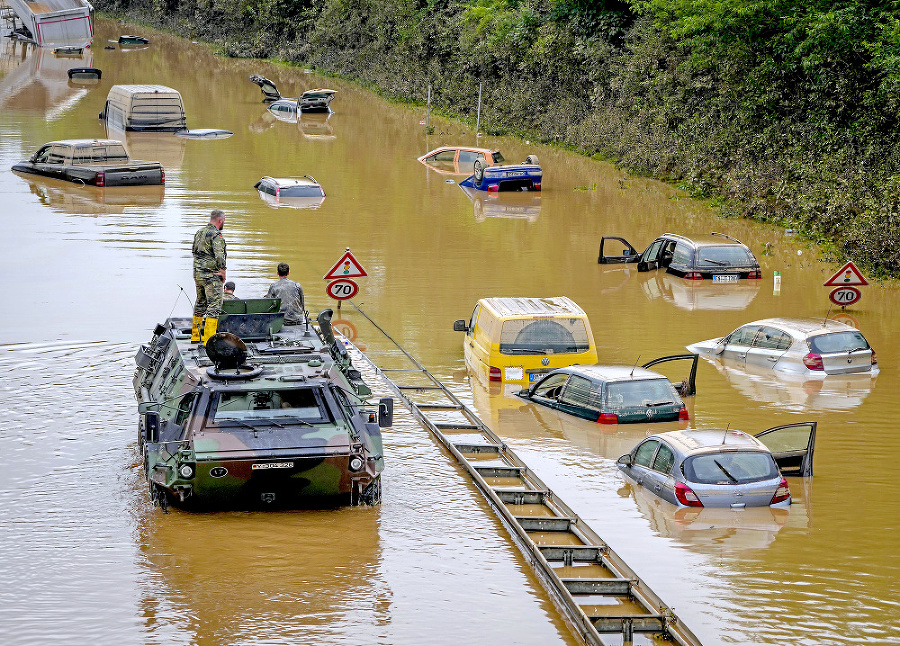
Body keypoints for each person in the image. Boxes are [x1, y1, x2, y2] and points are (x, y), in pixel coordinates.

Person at [191, 210, 226, 343]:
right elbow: (219, 255)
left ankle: (195, 336)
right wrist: (222, 271)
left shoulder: (199, 232)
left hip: (198, 273)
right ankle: (209, 341)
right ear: (221, 220)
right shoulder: (216, 235)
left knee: (200, 302)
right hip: (211, 276)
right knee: (214, 306)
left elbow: (194, 252)